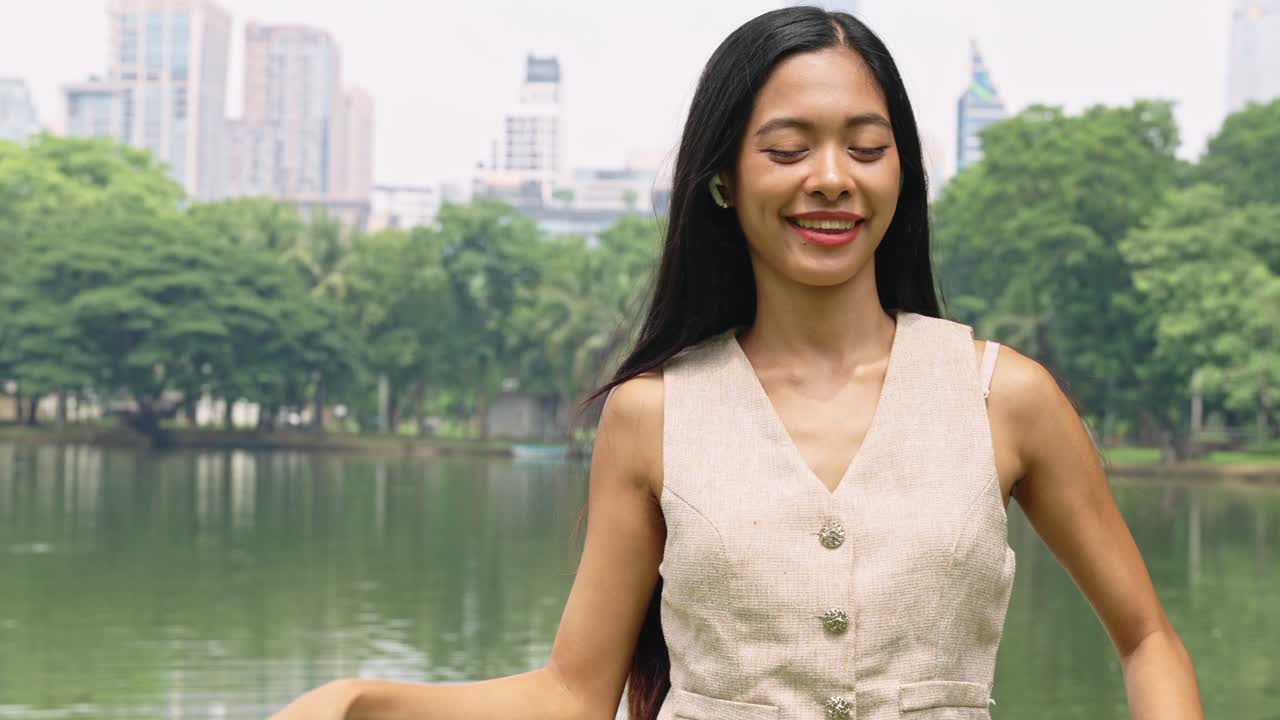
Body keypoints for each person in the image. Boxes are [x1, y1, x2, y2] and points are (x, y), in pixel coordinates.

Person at [269, 7, 1202, 720]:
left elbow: (1148, 637)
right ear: (725, 179)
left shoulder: (1004, 397)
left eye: (867, 149)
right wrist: (365, 703)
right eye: (788, 149)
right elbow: (573, 695)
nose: (831, 177)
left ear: (900, 173)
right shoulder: (653, 415)